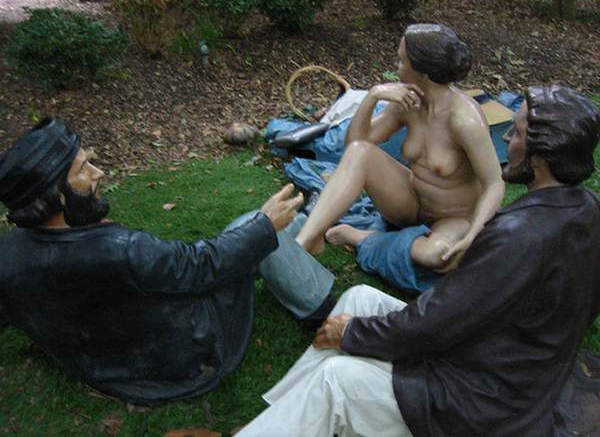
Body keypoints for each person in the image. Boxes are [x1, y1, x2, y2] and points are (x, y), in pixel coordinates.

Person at [236, 84, 600, 437]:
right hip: (500, 359)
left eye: (517, 133)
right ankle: (285, 414)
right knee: (360, 298)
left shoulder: (519, 235)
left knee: (337, 381)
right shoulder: (587, 208)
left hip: (476, 402)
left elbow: (438, 323)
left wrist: (352, 333)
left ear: (542, 157)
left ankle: (298, 414)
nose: (505, 138)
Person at [0, 117, 334, 405]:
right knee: (252, 226)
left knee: (263, 233)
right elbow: (200, 266)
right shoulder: (122, 249)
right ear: (58, 195)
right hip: (185, 359)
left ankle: (304, 225)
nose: (99, 173)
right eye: (83, 169)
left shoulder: (8, 255)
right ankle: (327, 312)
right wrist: (263, 225)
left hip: (108, 370)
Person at [296, 23, 505, 274]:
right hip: (411, 205)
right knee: (361, 152)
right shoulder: (407, 103)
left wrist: (473, 234)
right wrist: (373, 96)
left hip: (455, 218)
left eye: (401, 61)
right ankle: (306, 239)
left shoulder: (464, 119)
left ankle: (364, 237)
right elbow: (353, 144)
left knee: (437, 256)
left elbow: (495, 183)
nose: (396, 67)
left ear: (423, 71)